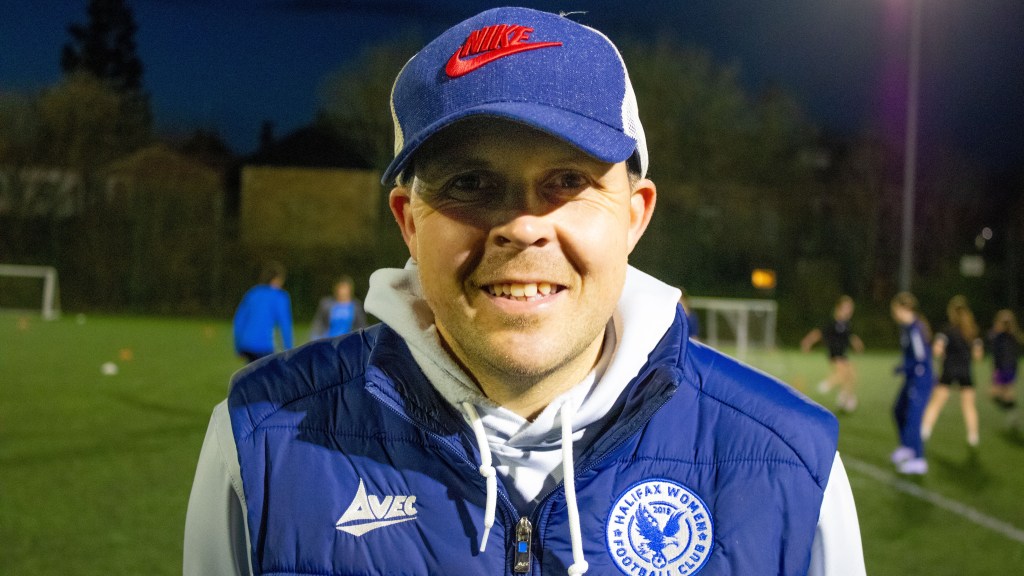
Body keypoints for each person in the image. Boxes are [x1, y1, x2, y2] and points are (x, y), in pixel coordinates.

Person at [184, 8, 864, 575]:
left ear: (634, 216)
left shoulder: (790, 463)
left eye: (568, 181)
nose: (522, 226)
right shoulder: (259, 443)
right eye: (470, 184)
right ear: (408, 223)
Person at [921, 295, 984, 448]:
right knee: (969, 405)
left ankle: (924, 431)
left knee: (937, 402)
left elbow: (937, 350)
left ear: (951, 312)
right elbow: (978, 356)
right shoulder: (972, 332)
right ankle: (973, 437)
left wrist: (940, 353)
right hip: (965, 371)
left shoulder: (947, 331)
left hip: (949, 369)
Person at [889, 292, 933, 475]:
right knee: (898, 410)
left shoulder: (916, 329)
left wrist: (904, 368)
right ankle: (907, 447)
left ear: (904, 308)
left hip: (920, 379)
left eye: (895, 309)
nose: (894, 314)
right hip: (912, 378)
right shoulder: (907, 328)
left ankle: (919, 460)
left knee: (913, 419)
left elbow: (920, 359)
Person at [800, 295, 865, 413]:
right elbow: (818, 333)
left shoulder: (846, 323)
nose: (849, 310)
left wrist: (857, 343)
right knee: (842, 374)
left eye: (851, 308)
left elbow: (850, 336)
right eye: (847, 307)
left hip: (843, 354)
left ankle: (845, 398)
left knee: (852, 375)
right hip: (834, 353)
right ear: (839, 308)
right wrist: (807, 342)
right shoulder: (832, 322)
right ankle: (826, 386)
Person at [231, 261, 293, 363]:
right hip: (264, 346)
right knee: (271, 372)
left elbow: (238, 321)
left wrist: (238, 347)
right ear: (277, 279)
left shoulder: (252, 293)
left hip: (247, 346)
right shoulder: (279, 296)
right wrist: (289, 350)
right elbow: (285, 324)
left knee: (254, 371)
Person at [988, 308, 1022, 427]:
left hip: (1005, 368)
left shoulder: (1005, 336)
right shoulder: (1008, 336)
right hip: (1010, 367)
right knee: (1004, 394)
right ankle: (1013, 413)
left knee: (996, 394)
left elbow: (1001, 354)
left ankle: (1013, 413)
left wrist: (996, 369)